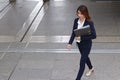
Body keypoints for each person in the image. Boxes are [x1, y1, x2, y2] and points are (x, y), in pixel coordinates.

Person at [66, 5, 96, 80]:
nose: (79, 15)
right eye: (78, 13)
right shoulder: (76, 21)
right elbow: (74, 32)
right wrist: (70, 43)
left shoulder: (89, 22)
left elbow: (94, 35)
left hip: (87, 45)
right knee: (85, 57)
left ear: (85, 13)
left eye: (81, 14)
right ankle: (91, 68)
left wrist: (81, 37)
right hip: (79, 44)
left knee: (82, 62)